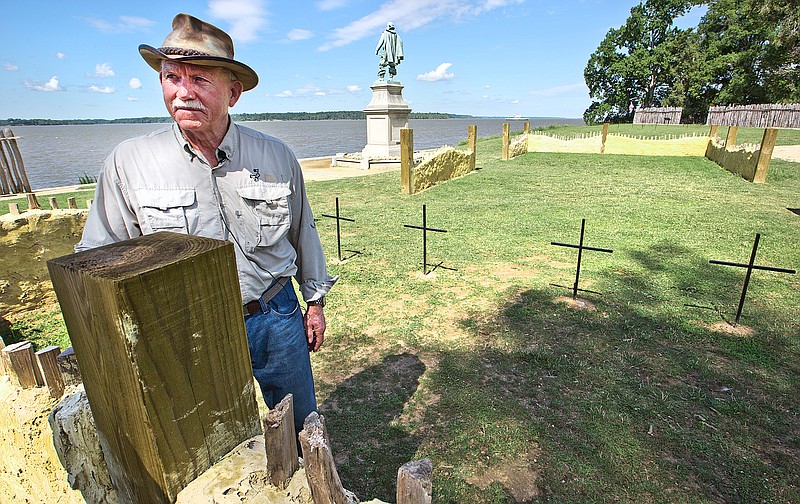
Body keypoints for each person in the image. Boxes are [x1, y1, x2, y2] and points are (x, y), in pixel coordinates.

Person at [76, 13, 337, 439]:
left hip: (274, 315)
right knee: (206, 434)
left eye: (199, 79)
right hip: (185, 327)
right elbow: (99, 260)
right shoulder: (129, 163)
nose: (183, 93)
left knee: (300, 422)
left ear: (233, 92)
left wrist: (315, 302)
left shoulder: (276, 156)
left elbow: (302, 232)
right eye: (171, 77)